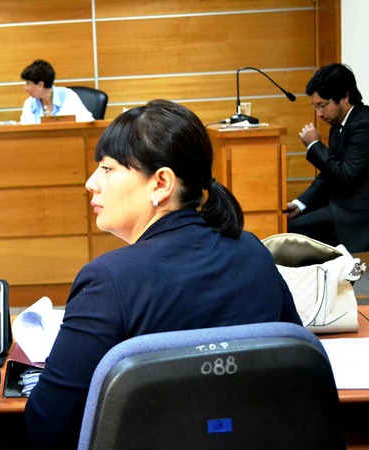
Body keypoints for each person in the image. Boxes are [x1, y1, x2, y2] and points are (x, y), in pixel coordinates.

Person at [24, 100, 302, 449]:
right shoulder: (254, 253)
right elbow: (298, 374)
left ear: (161, 183)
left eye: (108, 169)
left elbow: (47, 426)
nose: (91, 183)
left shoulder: (107, 281)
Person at [287, 63, 369, 252]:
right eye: (315, 107)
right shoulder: (339, 123)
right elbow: (327, 174)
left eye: (322, 105)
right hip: (338, 206)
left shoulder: (364, 125)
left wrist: (315, 146)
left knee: (290, 233)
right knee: (287, 226)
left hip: (355, 216)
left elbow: (345, 176)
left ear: (345, 96)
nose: (319, 114)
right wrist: (300, 204)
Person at [19, 59, 94, 124]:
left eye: (28, 84)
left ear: (40, 85)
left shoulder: (68, 97)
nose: (25, 88)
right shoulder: (29, 103)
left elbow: (87, 122)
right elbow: (25, 131)